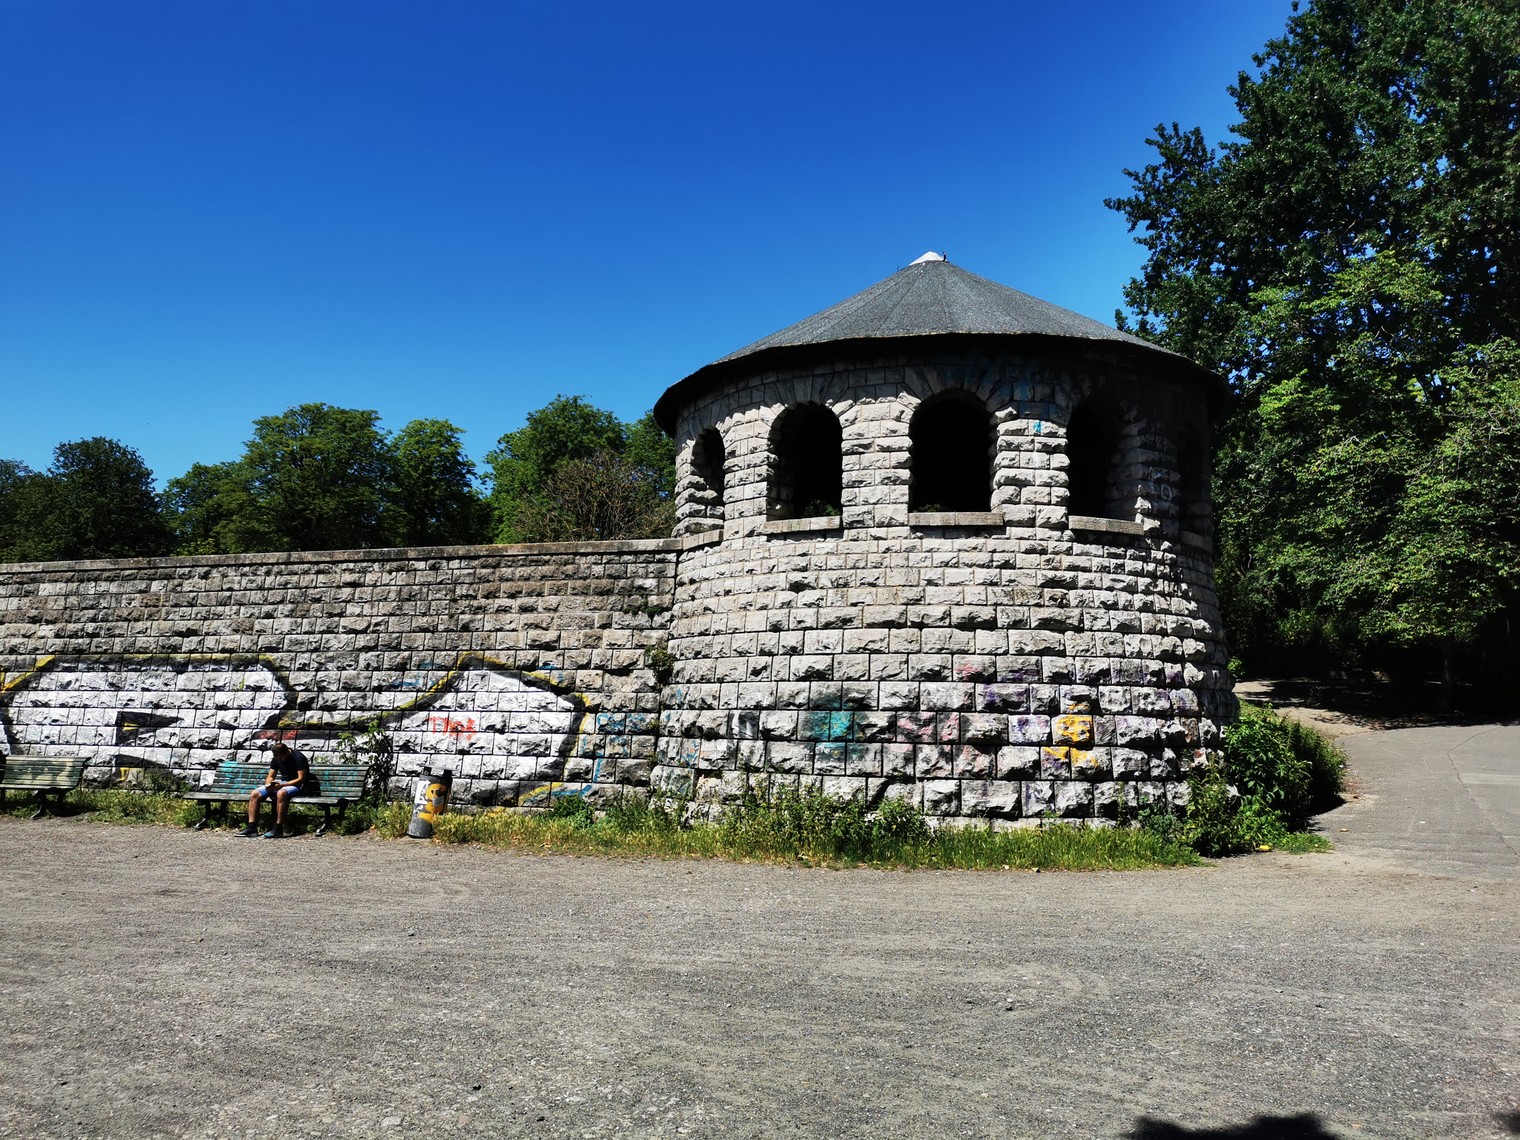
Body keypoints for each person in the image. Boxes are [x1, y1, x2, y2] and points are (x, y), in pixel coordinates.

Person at [239, 742, 309, 838]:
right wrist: (269, 784)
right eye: (277, 758)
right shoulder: (276, 758)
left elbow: (301, 779)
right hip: (282, 783)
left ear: (287, 752)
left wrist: (281, 785)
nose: (279, 760)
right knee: (255, 794)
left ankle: (278, 828)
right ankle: (252, 827)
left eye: (281, 758)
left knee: (281, 793)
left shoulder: (298, 757)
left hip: (296, 785)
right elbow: (270, 776)